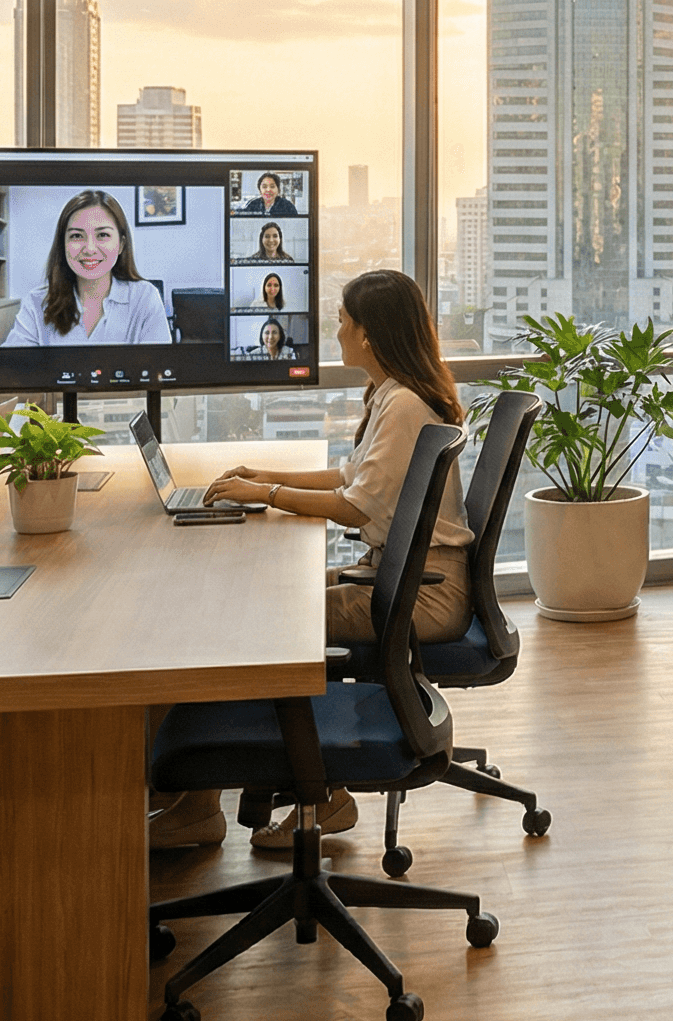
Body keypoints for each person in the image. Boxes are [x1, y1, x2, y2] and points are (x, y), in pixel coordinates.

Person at [144, 270, 476, 853]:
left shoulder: (402, 405)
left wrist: (266, 497)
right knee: (251, 602)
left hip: (422, 594)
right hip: (400, 578)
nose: (337, 331)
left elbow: (352, 507)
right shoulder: (391, 393)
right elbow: (351, 481)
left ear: (369, 335)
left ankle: (225, 800)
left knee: (255, 619)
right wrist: (265, 476)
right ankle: (236, 793)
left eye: (343, 322)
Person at [1, 189, 172, 346]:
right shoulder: (37, 303)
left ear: (121, 244)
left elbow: (158, 372)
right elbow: (10, 370)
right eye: (76, 236)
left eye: (102, 235)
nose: (90, 249)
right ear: (63, 244)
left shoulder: (144, 298)